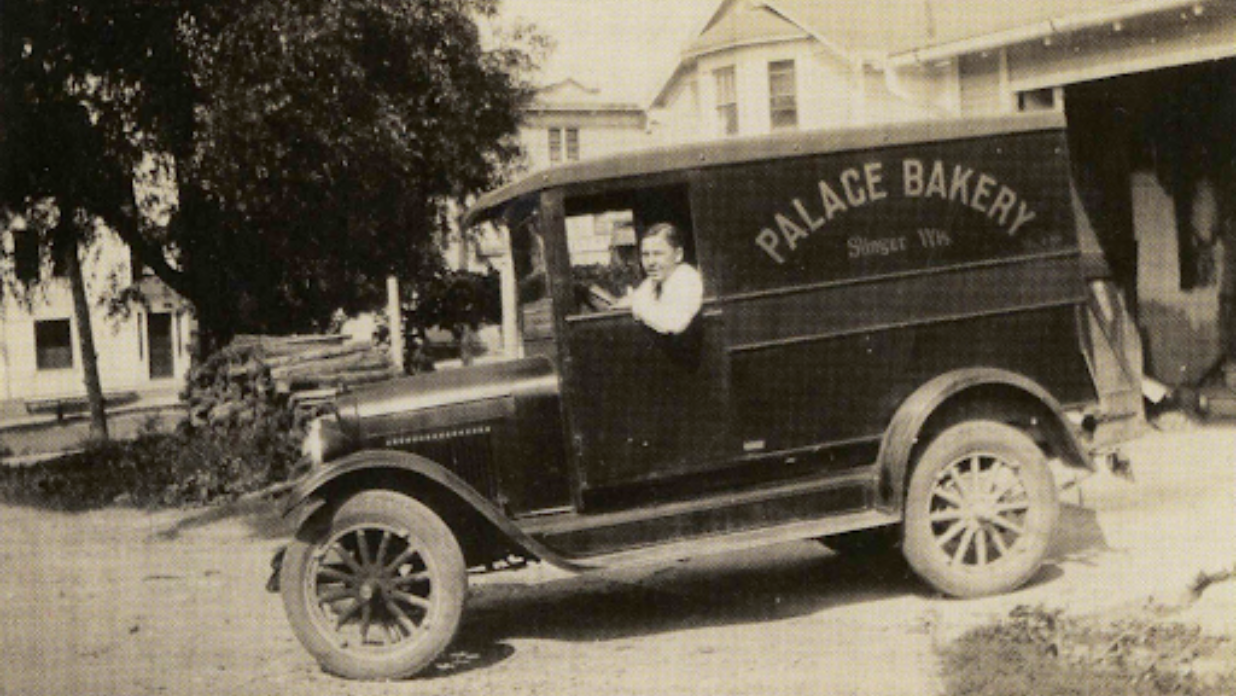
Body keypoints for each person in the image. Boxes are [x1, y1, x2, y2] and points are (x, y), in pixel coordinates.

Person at [630, 222, 703, 335]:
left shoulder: (687, 278)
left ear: (678, 255)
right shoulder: (653, 282)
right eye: (645, 254)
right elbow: (639, 297)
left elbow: (673, 323)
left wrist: (637, 305)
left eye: (658, 254)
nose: (650, 262)